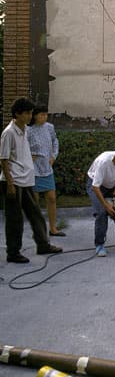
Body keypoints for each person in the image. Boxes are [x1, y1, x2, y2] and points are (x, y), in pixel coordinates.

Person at [0, 98, 63, 263]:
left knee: (36, 215)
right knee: (15, 219)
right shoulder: (9, 132)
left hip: (27, 179)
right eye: (27, 113)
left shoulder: (25, 130)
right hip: (13, 181)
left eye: (30, 113)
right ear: (17, 114)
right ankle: (13, 253)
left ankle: (43, 244)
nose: (30, 116)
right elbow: (4, 159)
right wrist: (10, 184)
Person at [27, 104, 65, 236]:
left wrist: (53, 156)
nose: (44, 117)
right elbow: (22, 147)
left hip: (47, 168)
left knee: (52, 198)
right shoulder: (28, 129)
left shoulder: (49, 127)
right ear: (35, 115)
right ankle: (38, 230)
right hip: (34, 168)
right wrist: (28, 157)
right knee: (35, 201)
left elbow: (55, 142)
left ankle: (53, 228)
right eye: (41, 114)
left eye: (45, 114)